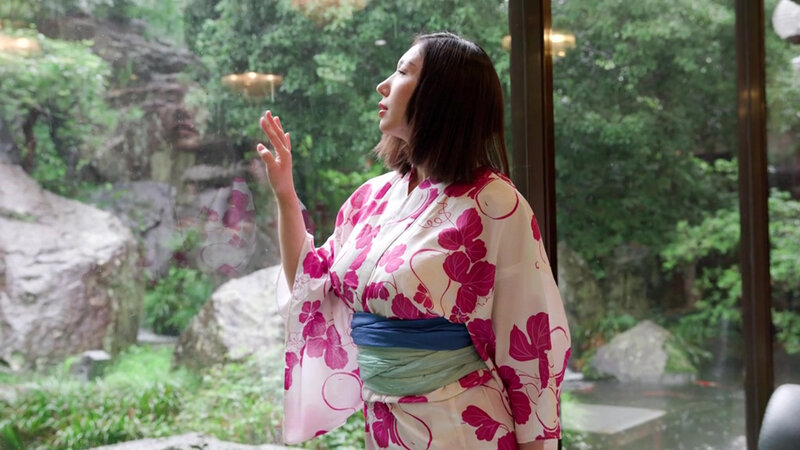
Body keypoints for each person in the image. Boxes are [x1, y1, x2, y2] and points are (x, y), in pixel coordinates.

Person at [257, 32, 570, 450]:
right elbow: (311, 285)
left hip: (464, 426)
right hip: (384, 424)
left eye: (403, 72)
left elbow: (533, 348)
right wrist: (285, 194)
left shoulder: (496, 204)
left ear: (442, 95)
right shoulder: (372, 197)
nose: (382, 85)